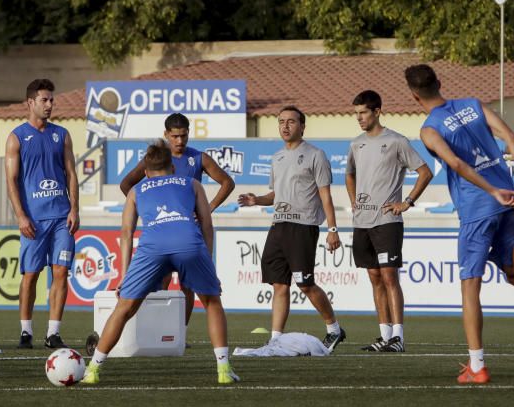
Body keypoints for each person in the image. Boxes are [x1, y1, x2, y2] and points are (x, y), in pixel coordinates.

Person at [407, 64, 514, 384]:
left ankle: (477, 365)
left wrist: (490, 190)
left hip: (477, 210)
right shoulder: (473, 104)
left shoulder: (428, 129)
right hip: (508, 203)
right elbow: (510, 135)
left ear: (413, 96)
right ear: (440, 83)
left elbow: (455, 163)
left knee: (469, 288)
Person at [81, 140, 239, 385]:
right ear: (173, 167)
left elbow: (126, 233)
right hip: (189, 243)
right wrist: (207, 261)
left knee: (124, 308)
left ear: (145, 172)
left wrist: (124, 275)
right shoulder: (192, 183)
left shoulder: (136, 191)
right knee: (211, 302)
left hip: (153, 247)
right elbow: (207, 225)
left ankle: (93, 369)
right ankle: (223, 369)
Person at [237, 106, 345, 351]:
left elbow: (325, 196)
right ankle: (275, 339)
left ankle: (334, 329)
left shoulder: (316, 155)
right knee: (279, 284)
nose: (285, 126)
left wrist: (333, 229)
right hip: (278, 225)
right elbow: (276, 194)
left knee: (305, 284)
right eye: (281, 122)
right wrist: (258, 200)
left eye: (291, 122)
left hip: (303, 226)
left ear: (302, 126)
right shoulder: (277, 157)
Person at [119, 112, 235, 328]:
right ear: (166, 134)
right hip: (162, 229)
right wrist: (147, 209)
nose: (180, 141)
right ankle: (160, 330)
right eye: (174, 136)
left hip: (189, 231)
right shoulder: (156, 160)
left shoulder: (199, 158)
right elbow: (127, 184)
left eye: (183, 136)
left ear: (188, 134)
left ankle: (180, 331)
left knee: (187, 285)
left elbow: (227, 182)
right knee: (160, 281)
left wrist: (206, 210)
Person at [345, 90, 433, 353]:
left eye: (363, 112)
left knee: (389, 276)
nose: (359, 118)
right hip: (362, 221)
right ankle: (384, 336)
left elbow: (425, 172)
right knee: (374, 276)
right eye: (356, 113)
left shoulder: (396, 141)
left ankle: (398, 337)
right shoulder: (356, 144)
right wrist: (353, 200)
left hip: (387, 220)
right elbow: (349, 174)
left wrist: (407, 202)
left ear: (377, 111)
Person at [5, 78, 79, 350]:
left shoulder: (62, 134)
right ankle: (26, 331)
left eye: (51, 99)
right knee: (31, 275)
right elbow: (11, 180)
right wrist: (21, 216)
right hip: (33, 220)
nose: (50, 104)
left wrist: (75, 208)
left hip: (62, 218)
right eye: (44, 100)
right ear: (31, 103)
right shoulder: (16, 137)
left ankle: (53, 333)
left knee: (61, 272)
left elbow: (71, 173)